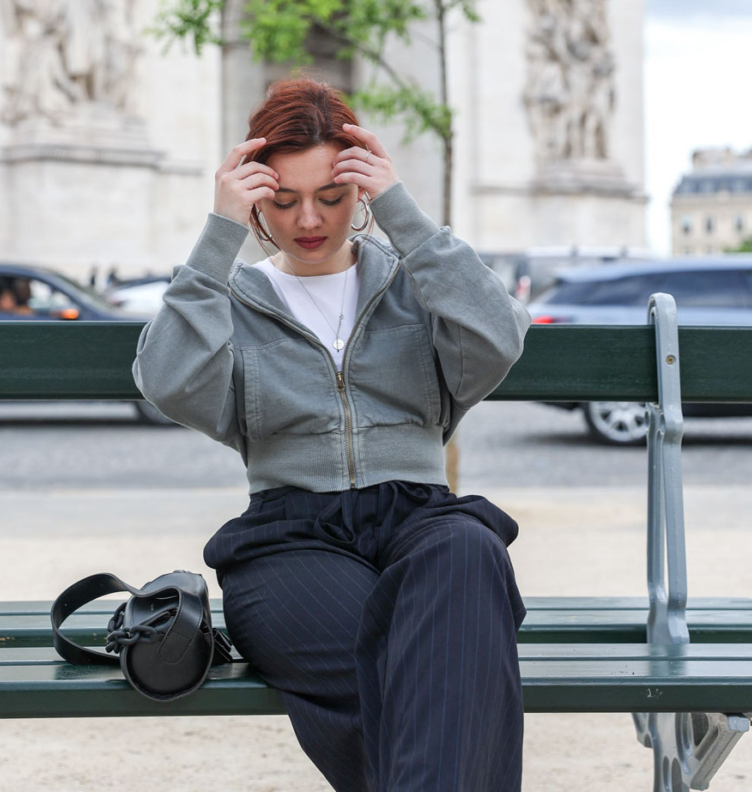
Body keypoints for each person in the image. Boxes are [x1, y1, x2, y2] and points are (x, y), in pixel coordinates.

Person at [132, 78, 532, 792]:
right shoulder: (232, 300)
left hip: (421, 517)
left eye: (332, 196)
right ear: (255, 200)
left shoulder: (415, 284)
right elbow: (165, 381)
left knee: (470, 554)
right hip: (290, 539)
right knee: (430, 671)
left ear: (363, 191)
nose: (309, 220)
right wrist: (219, 236)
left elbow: (498, 339)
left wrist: (404, 214)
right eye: (283, 201)